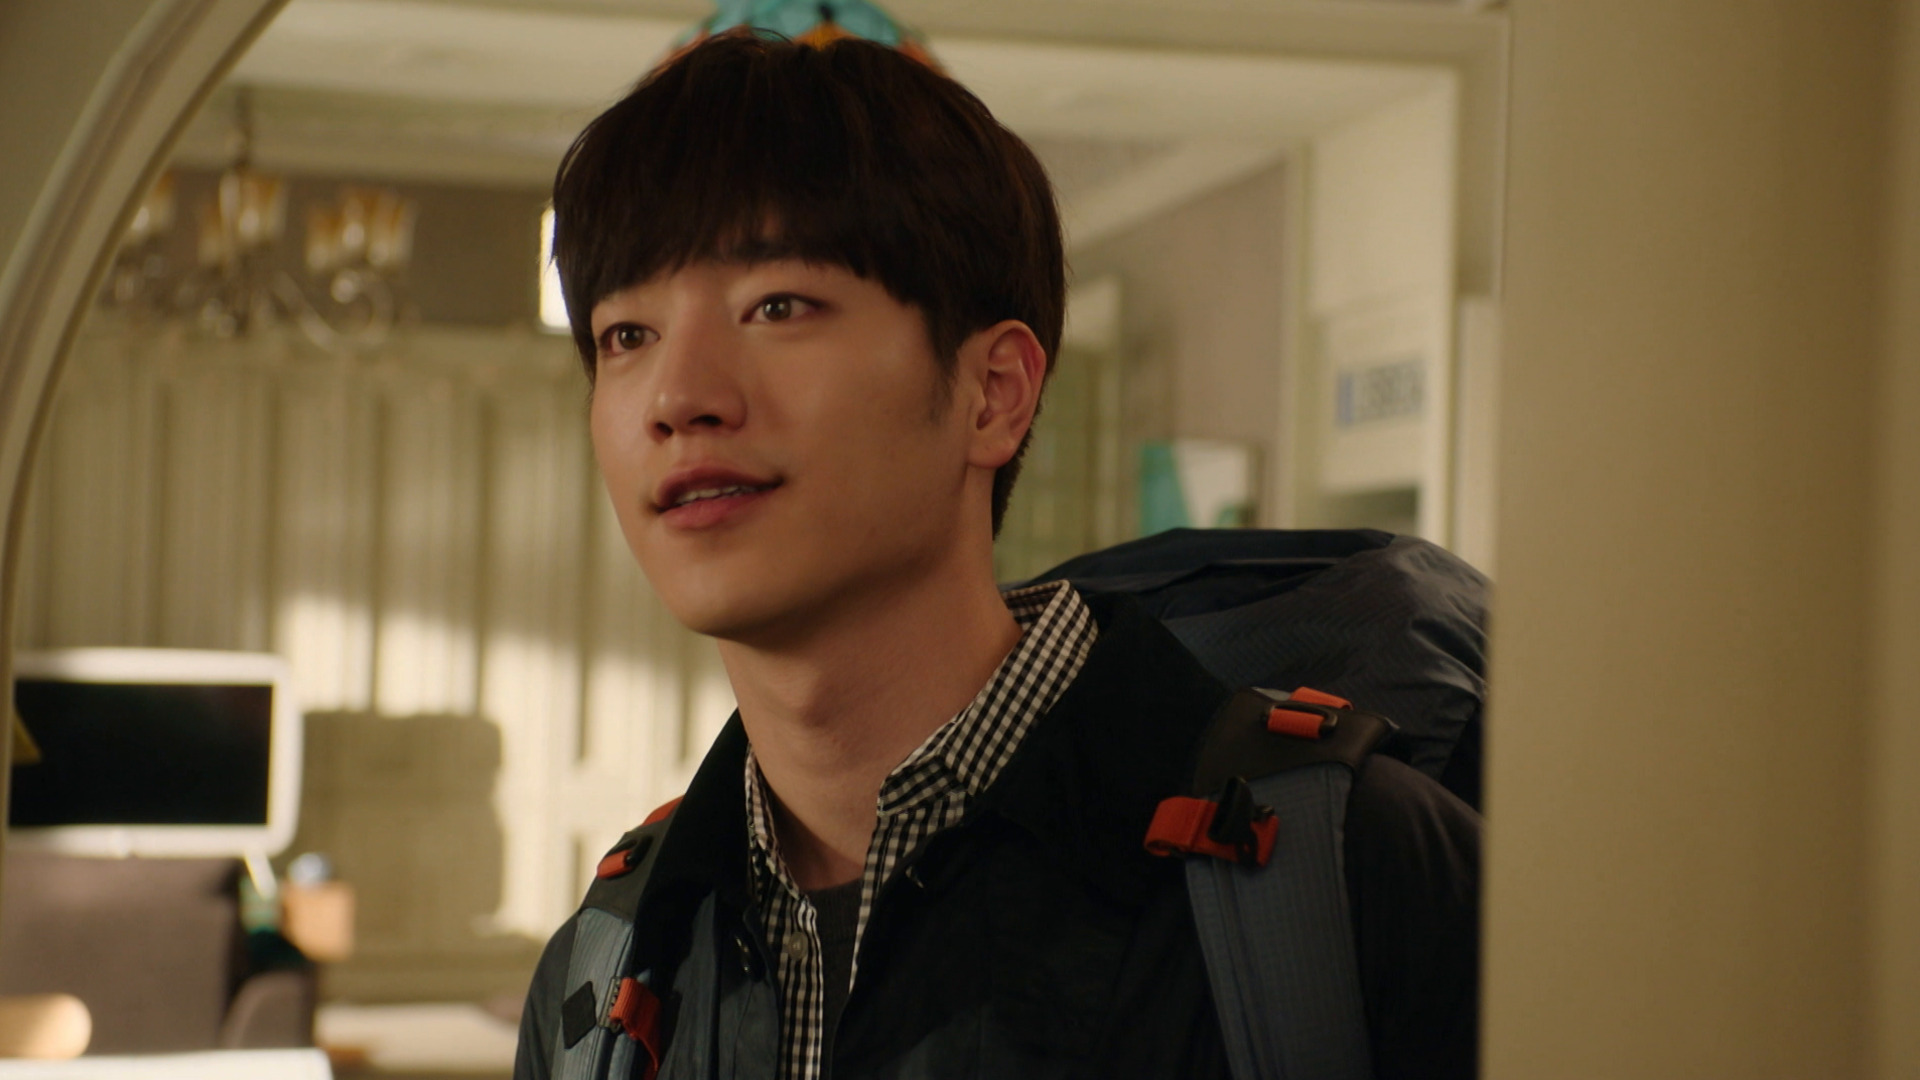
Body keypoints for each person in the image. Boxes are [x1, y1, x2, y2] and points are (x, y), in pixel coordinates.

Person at [515, 30, 1480, 1080]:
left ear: (993, 394)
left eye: (777, 307)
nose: (677, 397)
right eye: (627, 335)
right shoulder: (609, 971)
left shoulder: (1351, 878)